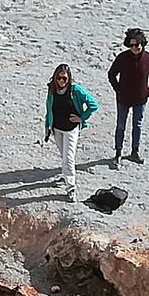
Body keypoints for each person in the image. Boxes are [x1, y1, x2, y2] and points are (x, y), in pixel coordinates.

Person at [44, 63, 98, 202]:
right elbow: (49, 109)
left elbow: (93, 104)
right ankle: (65, 175)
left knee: (68, 158)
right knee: (64, 156)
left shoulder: (75, 90)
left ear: (69, 79)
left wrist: (82, 118)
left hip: (70, 129)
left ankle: (71, 187)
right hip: (57, 129)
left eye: (65, 79)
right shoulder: (52, 90)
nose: (62, 81)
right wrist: (47, 126)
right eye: (59, 78)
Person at [107, 28, 149, 169]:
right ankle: (118, 152)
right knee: (121, 126)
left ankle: (135, 152)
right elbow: (112, 74)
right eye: (131, 45)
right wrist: (118, 90)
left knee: (137, 125)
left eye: (137, 45)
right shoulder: (122, 58)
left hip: (140, 99)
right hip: (123, 99)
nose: (134, 48)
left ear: (142, 44)